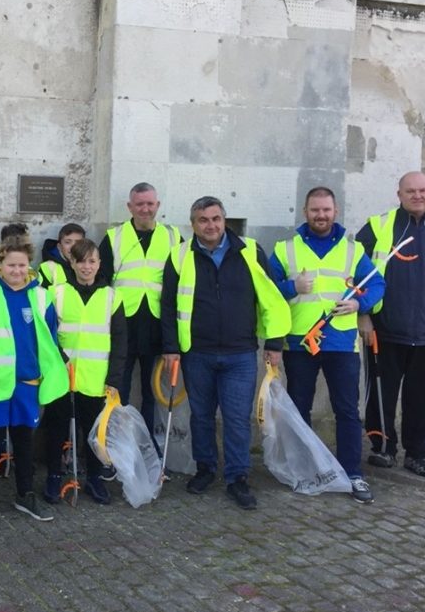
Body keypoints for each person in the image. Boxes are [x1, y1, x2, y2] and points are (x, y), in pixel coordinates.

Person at [161, 196, 290, 510]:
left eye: (216, 218)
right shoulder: (179, 255)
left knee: (236, 419)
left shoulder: (249, 250)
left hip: (240, 353)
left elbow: (271, 298)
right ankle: (205, 468)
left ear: (225, 220)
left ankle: (237, 477)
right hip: (197, 353)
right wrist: (170, 348)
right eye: (203, 220)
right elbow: (167, 305)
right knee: (201, 417)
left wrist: (274, 343)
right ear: (193, 224)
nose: (211, 225)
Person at [270, 187, 384, 504]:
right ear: (305, 211)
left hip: (342, 343)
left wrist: (360, 305)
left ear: (335, 211)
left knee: (347, 411)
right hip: (299, 342)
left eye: (327, 210)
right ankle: (305, 471)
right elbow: (266, 290)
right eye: (315, 210)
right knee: (299, 410)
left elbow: (377, 283)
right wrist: (293, 286)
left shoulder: (352, 249)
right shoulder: (285, 249)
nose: (321, 215)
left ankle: (353, 474)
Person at [355, 171, 425, 480]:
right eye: (410, 191)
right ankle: (383, 449)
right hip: (385, 331)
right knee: (381, 395)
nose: (417, 195)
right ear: (399, 194)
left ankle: (419, 454)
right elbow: (354, 271)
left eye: (422, 190)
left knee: (423, 398)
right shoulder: (378, 227)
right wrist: (363, 315)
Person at [0, 237, 69, 525]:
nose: (16, 270)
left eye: (22, 265)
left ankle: (25, 495)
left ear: (29, 265)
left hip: (28, 383)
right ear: (0, 264)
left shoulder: (41, 297)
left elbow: (48, 339)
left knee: (25, 443)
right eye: (11, 264)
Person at [44, 238, 127, 505]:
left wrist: (114, 379)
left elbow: (120, 341)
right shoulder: (56, 293)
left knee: (93, 432)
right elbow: (47, 335)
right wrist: (58, 361)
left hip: (96, 379)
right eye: (81, 261)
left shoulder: (112, 296)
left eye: (92, 261)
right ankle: (54, 476)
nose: (86, 266)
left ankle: (94, 478)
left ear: (99, 263)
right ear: (71, 262)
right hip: (62, 376)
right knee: (56, 428)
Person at [97, 183, 182, 443]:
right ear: (130, 207)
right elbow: (102, 281)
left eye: (150, 204)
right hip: (122, 325)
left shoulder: (173, 236)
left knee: (151, 391)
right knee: (117, 389)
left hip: (157, 326)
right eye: (139, 204)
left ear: (157, 205)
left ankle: (146, 446)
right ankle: (116, 445)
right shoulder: (114, 237)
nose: (145, 209)